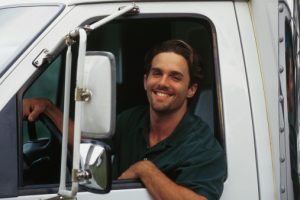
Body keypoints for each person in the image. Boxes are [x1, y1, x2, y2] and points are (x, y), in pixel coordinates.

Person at [23, 40, 226, 200]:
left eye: (175, 77)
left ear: (191, 89)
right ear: (146, 81)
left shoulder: (204, 148)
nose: (163, 83)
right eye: (157, 73)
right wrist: (48, 108)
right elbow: (84, 141)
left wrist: (145, 170)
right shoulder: (132, 119)